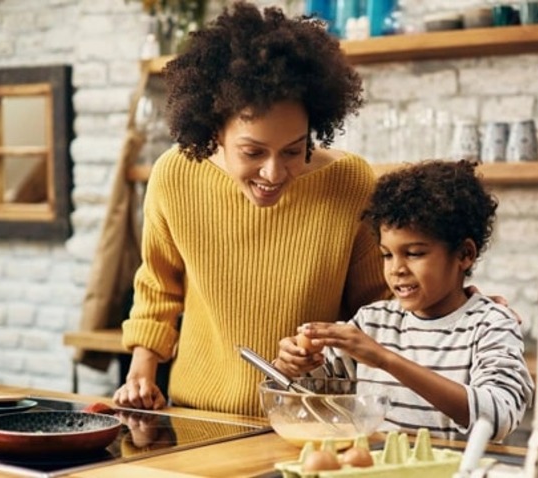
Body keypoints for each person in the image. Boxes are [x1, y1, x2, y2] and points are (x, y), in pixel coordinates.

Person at [112, 2, 389, 415]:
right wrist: (141, 373)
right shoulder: (175, 176)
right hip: (199, 416)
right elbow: (158, 285)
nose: (274, 172)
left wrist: (456, 305)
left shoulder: (351, 183)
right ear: (213, 131)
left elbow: (379, 309)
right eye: (253, 151)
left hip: (313, 418)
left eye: (294, 150)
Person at [276, 160, 534, 442]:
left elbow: (498, 417)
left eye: (414, 253)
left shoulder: (491, 324)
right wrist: (294, 364)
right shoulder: (372, 321)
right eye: (387, 255)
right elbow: (315, 393)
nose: (396, 268)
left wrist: (385, 360)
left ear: (464, 254)